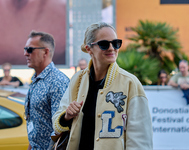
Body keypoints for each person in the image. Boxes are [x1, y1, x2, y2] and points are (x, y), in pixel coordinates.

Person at [52, 22, 153, 150]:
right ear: (89, 49)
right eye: (104, 44)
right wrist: (66, 116)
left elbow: (140, 138)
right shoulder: (77, 80)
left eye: (116, 43)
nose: (111, 48)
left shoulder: (130, 82)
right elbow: (56, 124)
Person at [24, 31, 70, 149]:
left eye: (30, 49)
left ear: (45, 52)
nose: (25, 53)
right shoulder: (36, 80)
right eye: (25, 49)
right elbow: (35, 125)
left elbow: (61, 130)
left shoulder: (57, 82)